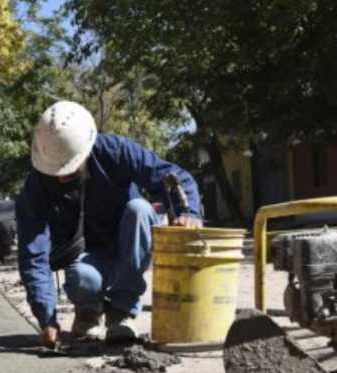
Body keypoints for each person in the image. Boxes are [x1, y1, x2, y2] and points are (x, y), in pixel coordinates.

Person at [16, 101, 202, 348]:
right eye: (56, 172)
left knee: (140, 209)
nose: (61, 178)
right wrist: (46, 318)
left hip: (129, 249)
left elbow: (172, 177)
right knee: (80, 277)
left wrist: (188, 212)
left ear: (86, 150)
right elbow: (33, 255)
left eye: (69, 170)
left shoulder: (117, 151)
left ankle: (121, 311)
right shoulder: (36, 186)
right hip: (87, 258)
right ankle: (88, 312)